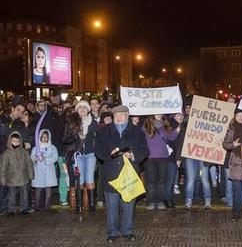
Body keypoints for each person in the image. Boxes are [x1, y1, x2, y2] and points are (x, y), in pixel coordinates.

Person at [95, 105, 148, 243]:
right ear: (113, 116)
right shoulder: (104, 131)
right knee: (112, 206)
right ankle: (113, 232)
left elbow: (144, 150)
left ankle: (128, 231)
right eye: (116, 115)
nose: (119, 117)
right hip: (111, 174)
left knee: (129, 204)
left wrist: (133, 155)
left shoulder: (137, 131)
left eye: (122, 114)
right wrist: (109, 154)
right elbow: (99, 151)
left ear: (127, 115)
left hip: (129, 174)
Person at [61, 100, 99, 213]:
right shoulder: (71, 122)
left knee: (90, 178)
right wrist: (74, 131)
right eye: (80, 107)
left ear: (88, 110)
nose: (82, 109)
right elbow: (64, 139)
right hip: (77, 154)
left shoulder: (94, 123)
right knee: (80, 178)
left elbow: (99, 138)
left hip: (91, 153)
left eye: (84, 107)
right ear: (77, 110)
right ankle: (79, 205)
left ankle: (92, 206)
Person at [142, 115, 179, 210]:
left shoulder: (165, 125)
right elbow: (140, 139)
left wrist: (177, 129)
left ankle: (160, 201)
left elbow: (172, 137)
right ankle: (151, 201)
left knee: (161, 181)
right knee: (151, 181)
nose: (159, 113)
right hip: (150, 157)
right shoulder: (146, 125)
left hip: (163, 157)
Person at [0, 132, 34, 217]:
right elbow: (3, 168)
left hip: (23, 177)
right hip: (11, 178)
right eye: (14, 141)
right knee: (11, 195)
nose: (16, 143)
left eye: (18, 141)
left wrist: (30, 174)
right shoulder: (6, 154)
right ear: (10, 141)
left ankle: (24, 208)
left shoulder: (24, 152)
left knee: (24, 195)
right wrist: (3, 179)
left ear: (20, 142)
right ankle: (11, 209)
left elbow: (29, 164)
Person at [30, 130, 58, 210]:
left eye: (46, 137)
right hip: (39, 171)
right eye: (43, 137)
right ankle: (37, 205)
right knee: (38, 188)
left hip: (49, 171)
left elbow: (55, 158)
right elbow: (32, 158)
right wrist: (36, 158)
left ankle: (47, 204)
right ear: (40, 137)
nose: (44, 139)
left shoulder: (52, 147)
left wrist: (45, 159)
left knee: (48, 187)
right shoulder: (35, 148)